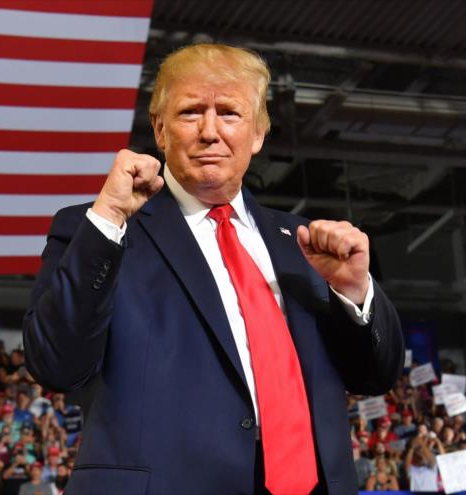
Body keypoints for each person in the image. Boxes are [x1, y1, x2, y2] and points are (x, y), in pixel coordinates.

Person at [24, 43, 404, 494]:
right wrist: (108, 219)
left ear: (259, 133)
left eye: (229, 113)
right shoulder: (99, 229)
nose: (210, 131)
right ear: (159, 129)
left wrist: (355, 293)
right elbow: (55, 364)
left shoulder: (307, 244)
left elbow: (376, 376)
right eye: (189, 113)